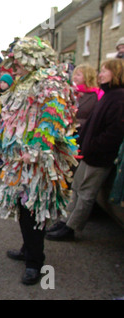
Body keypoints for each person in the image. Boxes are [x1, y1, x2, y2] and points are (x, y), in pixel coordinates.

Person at [0, 37, 78, 285]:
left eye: (18, 60)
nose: (14, 66)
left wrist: (36, 147)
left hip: (39, 161)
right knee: (22, 205)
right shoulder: (24, 81)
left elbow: (54, 115)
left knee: (33, 208)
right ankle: (28, 249)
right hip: (19, 159)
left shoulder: (51, 81)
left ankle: (35, 262)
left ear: (33, 58)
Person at [46, 58, 124, 241]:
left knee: (87, 193)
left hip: (100, 156)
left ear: (116, 74)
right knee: (77, 187)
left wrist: (93, 146)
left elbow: (114, 133)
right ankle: (66, 221)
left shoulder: (119, 98)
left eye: (105, 70)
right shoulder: (108, 95)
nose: (100, 74)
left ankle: (72, 227)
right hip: (90, 152)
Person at [71, 64, 104, 133]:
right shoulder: (69, 92)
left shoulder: (94, 95)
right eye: (74, 74)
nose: (74, 77)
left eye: (78, 75)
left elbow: (94, 119)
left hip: (82, 133)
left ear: (87, 77)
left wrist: (74, 122)